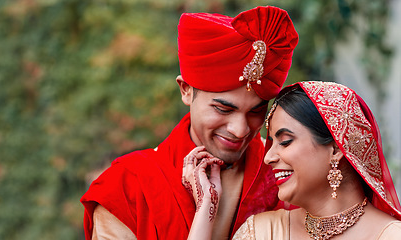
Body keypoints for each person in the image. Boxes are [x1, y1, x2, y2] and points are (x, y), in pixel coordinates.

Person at [80, 6, 299, 240]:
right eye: (223, 108)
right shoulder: (126, 187)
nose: (240, 130)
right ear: (186, 90)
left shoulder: (289, 171)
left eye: (256, 111)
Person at [188, 81, 401, 239]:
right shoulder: (262, 233)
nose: (268, 158)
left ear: (336, 148)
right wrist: (206, 206)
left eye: (286, 141)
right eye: (271, 143)